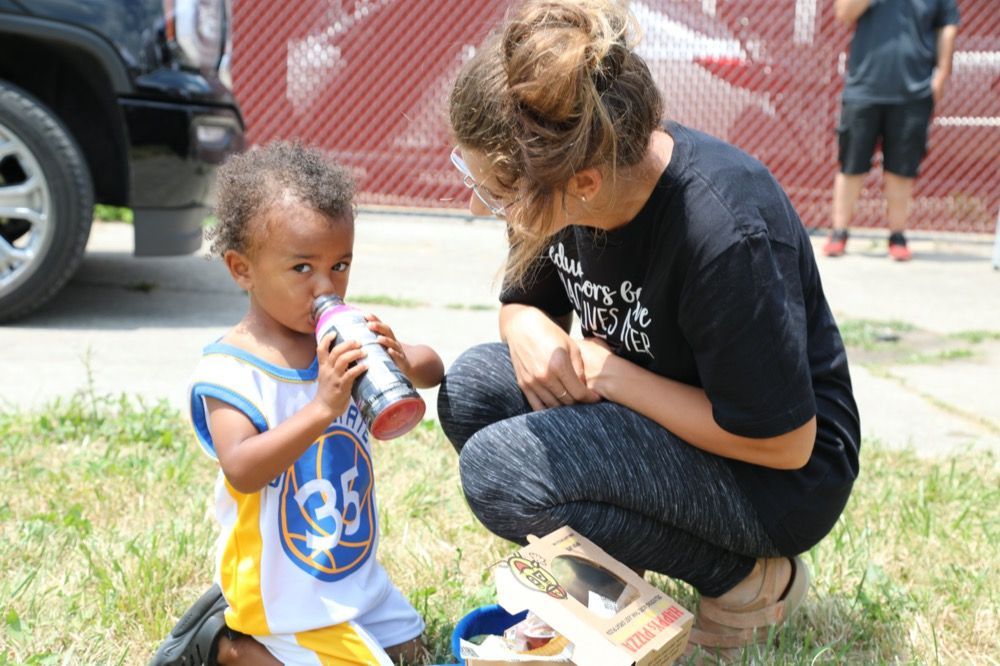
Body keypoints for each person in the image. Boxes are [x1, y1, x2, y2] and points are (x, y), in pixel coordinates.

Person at [436, 0, 860, 659]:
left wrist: (613, 376)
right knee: (472, 391)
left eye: (493, 189)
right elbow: (524, 305)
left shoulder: (723, 230)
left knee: (501, 472)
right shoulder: (574, 162)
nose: (479, 203)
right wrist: (526, 328)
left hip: (776, 479)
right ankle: (622, 616)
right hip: (659, 418)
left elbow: (786, 443)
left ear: (582, 181)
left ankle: (750, 579)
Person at [150, 141, 443, 665]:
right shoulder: (231, 370)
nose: (326, 286)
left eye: (340, 264)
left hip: (349, 573)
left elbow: (433, 369)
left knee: (411, 652)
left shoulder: (344, 337)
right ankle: (230, 648)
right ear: (242, 269)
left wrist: (400, 358)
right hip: (282, 590)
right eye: (302, 268)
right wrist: (321, 410)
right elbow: (241, 469)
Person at [823, 0, 960, 261]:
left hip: (914, 92)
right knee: (851, 164)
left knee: (901, 169)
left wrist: (942, 73)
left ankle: (897, 236)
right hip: (864, 90)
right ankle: (839, 233)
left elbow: (948, 25)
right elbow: (843, 13)